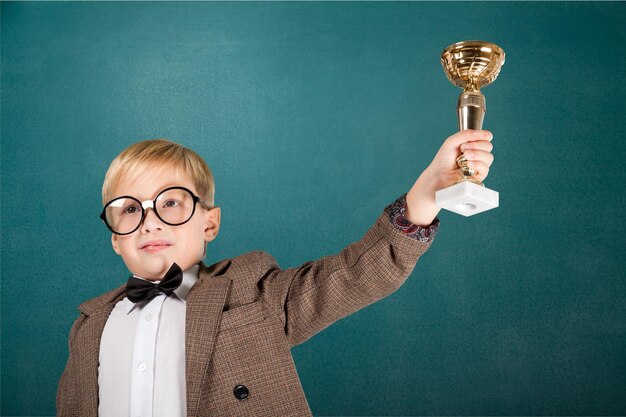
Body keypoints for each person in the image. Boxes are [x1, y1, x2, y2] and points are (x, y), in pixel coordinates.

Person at [56, 129, 494, 417]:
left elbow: (353, 276)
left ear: (209, 223)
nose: (150, 221)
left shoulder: (252, 292)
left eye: (171, 202)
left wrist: (425, 195)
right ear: (115, 236)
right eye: (129, 209)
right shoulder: (89, 325)